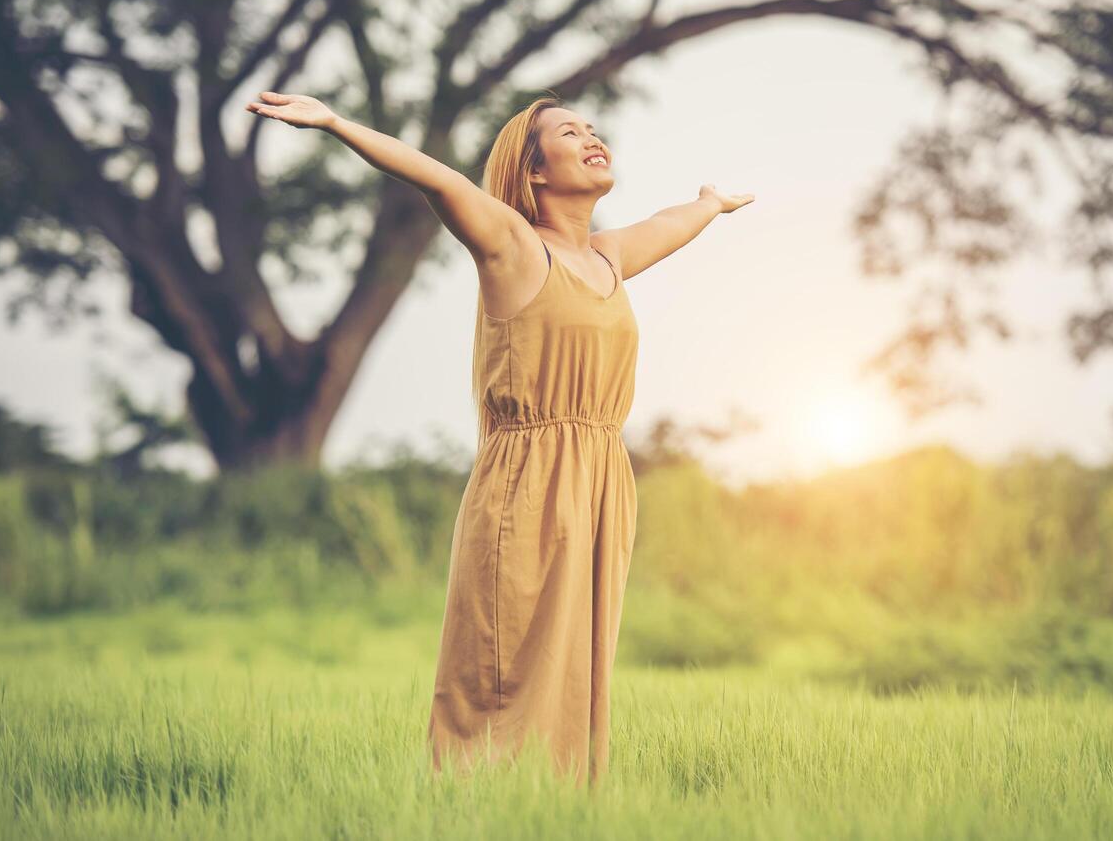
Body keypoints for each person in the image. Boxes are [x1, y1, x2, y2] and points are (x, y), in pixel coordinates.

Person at [245, 90, 754, 786]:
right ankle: (473, 809)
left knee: (576, 667)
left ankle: (556, 811)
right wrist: (336, 124)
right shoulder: (511, 246)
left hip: (601, 479)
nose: (591, 137)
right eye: (569, 133)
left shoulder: (607, 258)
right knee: (502, 667)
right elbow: (438, 179)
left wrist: (708, 204)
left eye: (592, 129)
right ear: (534, 170)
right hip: (528, 482)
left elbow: (670, 222)